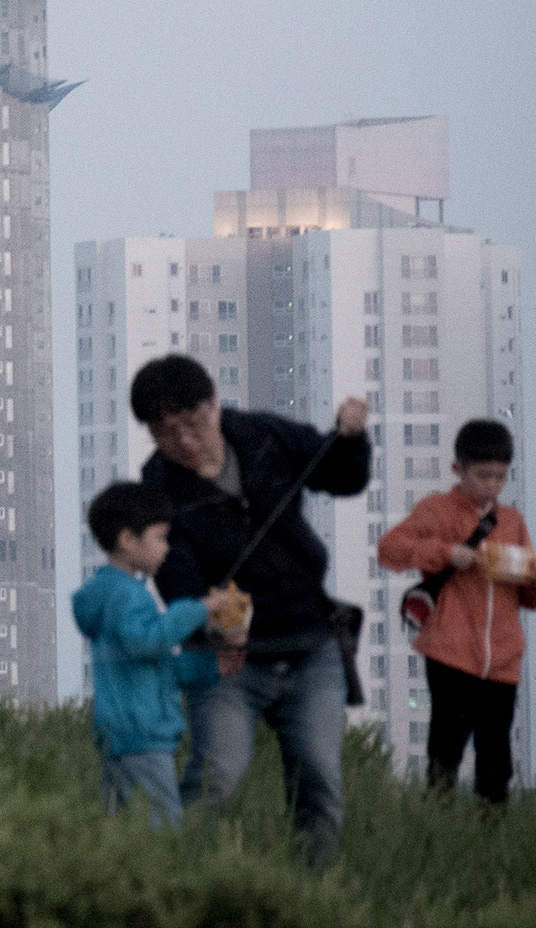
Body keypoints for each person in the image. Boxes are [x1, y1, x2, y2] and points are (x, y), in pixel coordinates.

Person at [133, 354, 369, 863]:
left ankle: (312, 892)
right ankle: (174, 882)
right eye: (166, 433)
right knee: (216, 777)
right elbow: (179, 587)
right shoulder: (158, 493)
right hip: (229, 662)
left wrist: (351, 437)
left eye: (193, 423)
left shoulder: (262, 435)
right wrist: (214, 620)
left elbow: (342, 476)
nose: (185, 441)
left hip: (311, 643)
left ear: (214, 405)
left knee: (319, 779)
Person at [378, 417, 536, 804]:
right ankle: (436, 823)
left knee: (496, 756)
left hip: (502, 658)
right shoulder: (436, 510)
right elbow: (390, 549)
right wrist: (447, 553)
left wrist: (527, 573)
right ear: (458, 469)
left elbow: (529, 598)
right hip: (450, 650)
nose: (491, 485)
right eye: (483, 476)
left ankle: (491, 830)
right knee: (446, 748)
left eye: (500, 477)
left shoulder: (512, 521)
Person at [73, 482, 229, 828]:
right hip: (144, 736)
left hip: (119, 736)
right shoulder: (127, 596)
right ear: (128, 540)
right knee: (161, 833)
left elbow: (154, 664)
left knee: (122, 833)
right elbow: (147, 641)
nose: (166, 548)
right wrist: (199, 608)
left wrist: (210, 665)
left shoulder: (109, 595)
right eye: (160, 537)